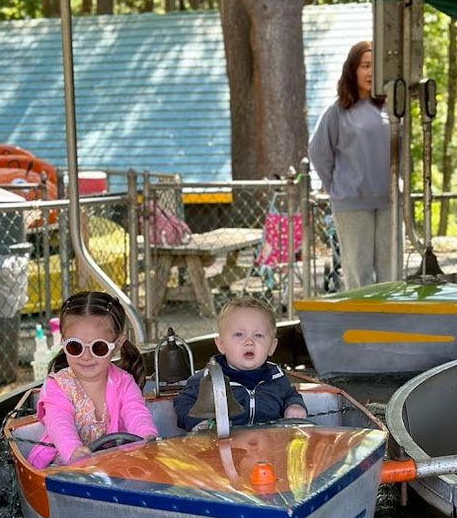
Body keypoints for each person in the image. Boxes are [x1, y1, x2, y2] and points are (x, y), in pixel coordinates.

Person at [28, 290, 157, 469]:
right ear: (63, 342)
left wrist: (146, 436)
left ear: (117, 344)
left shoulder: (124, 382)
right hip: (61, 464)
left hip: (111, 463)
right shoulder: (57, 385)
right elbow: (59, 421)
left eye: (98, 347)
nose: (86, 356)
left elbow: (135, 412)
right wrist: (74, 450)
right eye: (75, 346)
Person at [308, 40, 393, 290]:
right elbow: (317, 152)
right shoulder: (337, 112)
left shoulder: (391, 110)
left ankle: (390, 327)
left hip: (389, 202)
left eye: (375, 67)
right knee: (359, 276)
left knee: (392, 276)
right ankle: (361, 326)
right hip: (352, 203)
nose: (370, 73)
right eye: (365, 66)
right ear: (352, 70)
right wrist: (336, 186)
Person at [173, 296, 308, 431]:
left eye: (258, 335)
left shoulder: (277, 377)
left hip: (269, 445)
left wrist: (294, 406)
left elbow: (291, 395)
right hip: (223, 446)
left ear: (272, 346)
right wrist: (197, 422)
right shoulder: (209, 380)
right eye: (239, 334)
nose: (249, 341)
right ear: (221, 345)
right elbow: (183, 401)